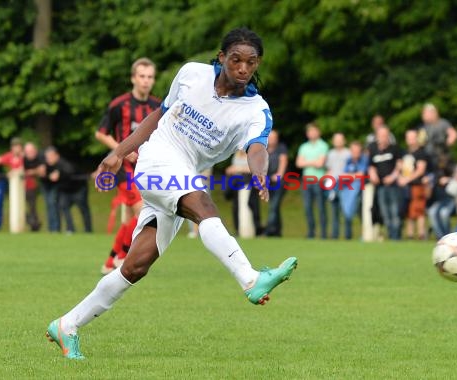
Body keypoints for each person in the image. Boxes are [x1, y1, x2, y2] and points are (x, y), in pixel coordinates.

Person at [46, 27, 297, 360]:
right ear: (221, 58)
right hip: (156, 161)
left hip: (184, 173)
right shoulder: (192, 74)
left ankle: (67, 325)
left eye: (251, 63)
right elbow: (159, 115)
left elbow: (257, 147)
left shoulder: (255, 110)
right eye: (235, 60)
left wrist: (260, 172)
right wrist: (119, 153)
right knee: (204, 205)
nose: (243, 68)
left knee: (135, 266)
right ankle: (250, 279)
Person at [95, 57, 160, 274]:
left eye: (150, 77)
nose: (145, 81)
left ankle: (112, 259)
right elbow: (100, 133)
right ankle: (122, 255)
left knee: (144, 214)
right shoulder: (119, 105)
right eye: (142, 76)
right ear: (133, 78)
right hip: (125, 169)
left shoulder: (158, 107)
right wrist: (122, 150)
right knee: (143, 212)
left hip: (148, 168)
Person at [44, 147, 92, 233]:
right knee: (63, 207)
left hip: (78, 188)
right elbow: (48, 176)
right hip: (65, 191)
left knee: (83, 209)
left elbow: (70, 171)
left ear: (56, 155)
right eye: (47, 157)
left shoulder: (63, 162)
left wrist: (59, 173)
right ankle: (70, 228)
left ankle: (88, 230)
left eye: (49, 157)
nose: (48, 160)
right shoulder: (49, 166)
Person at [368, 126, 403, 240]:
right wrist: (373, 175)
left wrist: (392, 177)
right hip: (380, 187)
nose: (383, 138)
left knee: (395, 212)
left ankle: (397, 236)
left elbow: (399, 165)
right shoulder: (373, 149)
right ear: (377, 137)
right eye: (381, 135)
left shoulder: (395, 148)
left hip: (393, 186)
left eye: (385, 135)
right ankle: (390, 235)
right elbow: (371, 166)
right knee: (385, 212)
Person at [296, 122, 329, 239]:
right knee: (307, 208)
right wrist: (313, 162)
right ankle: (311, 232)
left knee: (321, 208)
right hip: (306, 181)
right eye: (310, 131)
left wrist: (307, 162)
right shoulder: (303, 147)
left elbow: (320, 164)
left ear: (318, 132)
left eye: (314, 131)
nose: (312, 133)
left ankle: (324, 233)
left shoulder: (323, 146)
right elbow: (298, 163)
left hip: (318, 180)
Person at [398, 129, 430, 240]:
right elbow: (400, 167)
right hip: (406, 187)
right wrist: (400, 178)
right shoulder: (405, 152)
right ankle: (410, 235)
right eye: (408, 137)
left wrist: (406, 179)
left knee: (418, 210)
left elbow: (420, 170)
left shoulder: (421, 152)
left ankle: (421, 234)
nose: (410, 140)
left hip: (417, 185)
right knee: (408, 211)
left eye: (412, 137)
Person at [225, 150, 263, 236]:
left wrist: (239, 168)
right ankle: (238, 229)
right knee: (236, 207)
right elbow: (232, 167)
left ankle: (255, 230)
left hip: (248, 184)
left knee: (250, 206)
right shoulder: (236, 155)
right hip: (236, 184)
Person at [340, 141, 368, 240]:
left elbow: (361, 175)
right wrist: (354, 176)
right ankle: (348, 236)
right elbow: (342, 175)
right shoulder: (348, 160)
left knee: (362, 214)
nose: (356, 153)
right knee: (347, 213)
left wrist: (350, 176)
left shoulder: (364, 160)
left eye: (357, 151)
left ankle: (365, 235)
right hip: (348, 191)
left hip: (361, 191)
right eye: (354, 151)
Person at [324, 132, 350, 239]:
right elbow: (329, 169)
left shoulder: (348, 153)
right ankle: (335, 235)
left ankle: (348, 235)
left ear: (344, 141)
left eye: (340, 139)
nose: (338, 142)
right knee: (334, 211)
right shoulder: (330, 154)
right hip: (333, 184)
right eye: (336, 140)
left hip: (345, 184)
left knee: (346, 210)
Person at [418, 103, 457, 169]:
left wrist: (447, 143)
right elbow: (420, 143)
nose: (423, 115)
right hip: (428, 158)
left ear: (433, 113)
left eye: (425, 113)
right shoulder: (423, 128)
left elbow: (453, 134)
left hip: (442, 156)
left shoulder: (442, 123)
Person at [427, 153, 456, 239]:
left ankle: (448, 236)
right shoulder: (435, 173)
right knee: (432, 212)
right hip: (439, 200)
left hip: (450, 199)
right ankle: (440, 237)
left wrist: (449, 179)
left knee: (444, 213)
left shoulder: (452, 170)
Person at [264, 130, 287, 237]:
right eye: (270, 137)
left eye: (274, 137)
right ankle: (277, 232)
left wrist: (279, 175)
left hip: (279, 182)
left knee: (273, 206)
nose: (272, 139)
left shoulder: (281, 148)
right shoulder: (264, 149)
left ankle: (268, 231)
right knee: (275, 207)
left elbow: (283, 161)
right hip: (268, 182)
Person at [23, 142, 44, 231]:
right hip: (21, 187)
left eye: (31, 151)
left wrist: (30, 172)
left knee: (32, 207)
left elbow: (42, 171)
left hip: (32, 186)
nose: (30, 154)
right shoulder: (23, 159)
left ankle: (34, 225)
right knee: (20, 208)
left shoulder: (40, 157)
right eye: (28, 152)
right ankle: (33, 223)